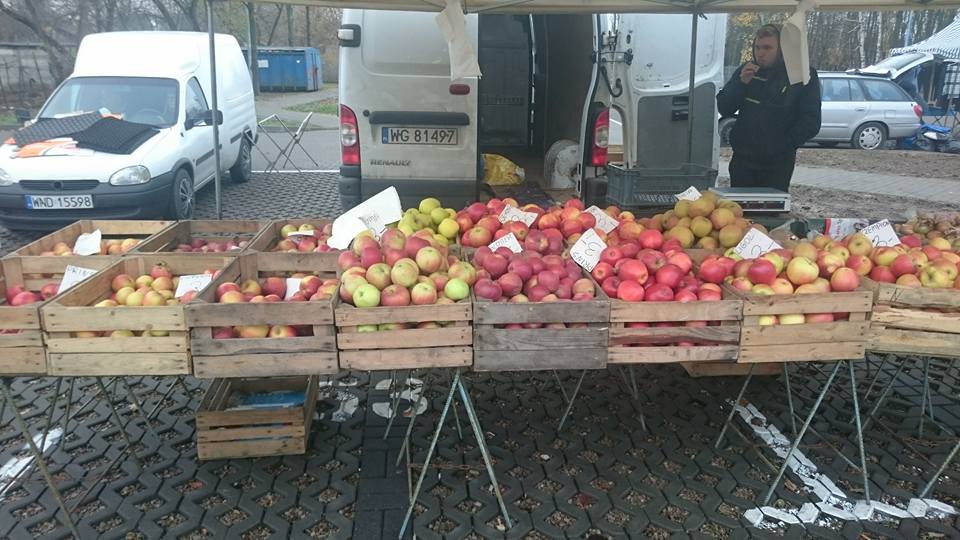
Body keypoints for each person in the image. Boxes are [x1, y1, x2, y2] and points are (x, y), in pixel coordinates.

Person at [717, 24, 821, 192]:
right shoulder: (747, 70)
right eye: (757, 47)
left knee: (771, 206)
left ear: (782, 49)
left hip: (777, 164)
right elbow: (724, 107)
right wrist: (740, 84)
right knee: (739, 207)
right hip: (743, 160)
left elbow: (811, 121)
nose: (760, 53)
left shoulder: (801, 75)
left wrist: (784, 145)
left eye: (767, 48)